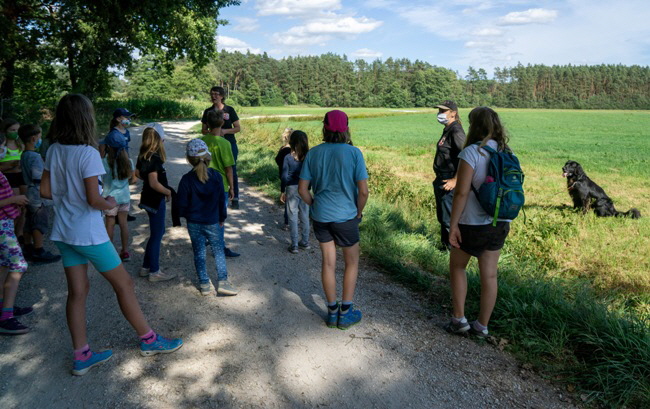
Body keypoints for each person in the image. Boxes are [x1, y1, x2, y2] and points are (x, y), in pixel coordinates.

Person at [40, 94, 182, 374]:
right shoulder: (88, 153)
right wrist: (110, 203)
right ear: (86, 119)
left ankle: (81, 355)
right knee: (124, 284)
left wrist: (70, 195)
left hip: (64, 232)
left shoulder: (54, 149)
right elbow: (94, 200)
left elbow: (45, 191)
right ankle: (149, 340)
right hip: (89, 234)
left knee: (77, 293)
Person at [444, 106, 512, 338]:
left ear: (474, 126)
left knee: (457, 266)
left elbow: (461, 193)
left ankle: (459, 319)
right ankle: (482, 326)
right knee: (490, 275)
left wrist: (453, 225)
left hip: (472, 224)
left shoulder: (472, 153)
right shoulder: (507, 153)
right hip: (500, 222)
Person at [298, 110, 369, 330]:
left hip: (321, 216)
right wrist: (358, 212)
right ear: (347, 129)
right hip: (346, 217)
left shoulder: (314, 153)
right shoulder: (354, 153)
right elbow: (363, 191)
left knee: (328, 263)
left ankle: (331, 312)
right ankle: (345, 313)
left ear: (325, 128)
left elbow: (302, 189)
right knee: (351, 263)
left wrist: (314, 204)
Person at [177, 139, 238, 296]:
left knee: (199, 252)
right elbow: (220, 202)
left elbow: (181, 205)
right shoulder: (217, 177)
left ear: (189, 159)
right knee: (218, 251)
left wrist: (187, 216)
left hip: (194, 222)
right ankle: (223, 282)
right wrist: (222, 218)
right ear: (208, 158)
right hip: (212, 221)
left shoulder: (186, 179)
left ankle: (204, 284)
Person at [0, 133, 32, 335]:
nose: (3, 150)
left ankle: (3, 306)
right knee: (19, 264)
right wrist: (14, 199)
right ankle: (6, 317)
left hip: (5, 223)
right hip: (1, 226)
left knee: (3, 265)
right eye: (1, 147)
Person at [136, 124, 176, 282]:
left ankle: (146, 267)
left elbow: (137, 173)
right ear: (159, 140)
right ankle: (155, 272)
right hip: (155, 200)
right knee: (157, 234)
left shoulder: (143, 155)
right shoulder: (155, 158)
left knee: (155, 233)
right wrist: (167, 191)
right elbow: (153, 183)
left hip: (147, 198)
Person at [18, 124, 60, 262]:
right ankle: (39, 249)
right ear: (33, 138)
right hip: (37, 193)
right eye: (40, 137)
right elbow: (38, 177)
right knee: (39, 222)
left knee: (29, 220)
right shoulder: (34, 156)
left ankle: (28, 246)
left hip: (30, 191)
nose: (40, 140)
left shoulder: (24, 154)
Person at [201, 110, 239, 258]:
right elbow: (229, 169)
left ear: (207, 124)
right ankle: (220, 247)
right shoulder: (225, 143)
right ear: (222, 123)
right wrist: (232, 188)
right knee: (220, 218)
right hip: (220, 185)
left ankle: (204, 239)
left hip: (203, 182)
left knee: (205, 212)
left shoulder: (201, 140)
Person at [432, 100, 466, 251]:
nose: (440, 114)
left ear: (453, 113)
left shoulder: (456, 131)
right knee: (443, 216)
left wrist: (455, 180)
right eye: (439, 111)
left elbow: (465, 156)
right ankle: (444, 248)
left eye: (443, 111)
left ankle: (452, 251)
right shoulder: (448, 129)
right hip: (441, 179)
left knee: (448, 219)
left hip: (449, 181)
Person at [201, 86, 242, 209]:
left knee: (231, 169)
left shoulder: (230, 110)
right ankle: (211, 193)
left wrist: (224, 131)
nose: (214, 96)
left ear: (222, 96)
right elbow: (203, 130)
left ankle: (235, 197)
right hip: (212, 144)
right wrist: (213, 133)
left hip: (229, 143)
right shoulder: (208, 111)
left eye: (217, 94)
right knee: (210, 168)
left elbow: (238, 128)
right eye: (212, 94)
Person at [101, 130, 136, 262]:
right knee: (123, 224)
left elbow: (100, 178)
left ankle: (110, 252)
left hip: (110, 198)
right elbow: (133, 180)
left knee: (109, 224)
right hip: (124, 197)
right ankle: (125, 251)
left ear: (108, 147)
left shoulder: (104, 162)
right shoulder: (129, 161)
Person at [100, 108, 136, 223]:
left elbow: (126, 148)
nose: (128, 119)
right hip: (114, 161)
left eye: (129, 117)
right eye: (126, 117)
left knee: (122, 183)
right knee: (116, 181)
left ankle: (122, 210)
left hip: (124, 160)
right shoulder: (112, 134)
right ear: (118, 119)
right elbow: (105, 149)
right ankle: (118, 211)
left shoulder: (127, 132)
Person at [281, 130, 310, 254]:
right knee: (305, 215)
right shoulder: (309, 157)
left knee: (292, 216)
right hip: (305, 188)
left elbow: (284, 176)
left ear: (291, 142)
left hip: (292, 188)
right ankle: (305, 241)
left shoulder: (288, 157)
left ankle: (294, 245)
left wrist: (283, 190)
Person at [0, 119, 27, 244]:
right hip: (8, 177)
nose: (15, 133)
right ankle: (11, 235)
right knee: (14, 206)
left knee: (24, 206)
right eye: (12, 130)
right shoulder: (2, 147)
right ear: (5, 131)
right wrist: (10, 166)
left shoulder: (21, 144)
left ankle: (20, 233)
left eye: (17, 130)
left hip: (20, 176)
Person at [275, 128, 293, 231]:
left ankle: (287, 222)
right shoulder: (296, 150)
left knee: (287, 200)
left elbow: (277, 160)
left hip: (285, 177)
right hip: (297, 178)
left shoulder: (283, 149)